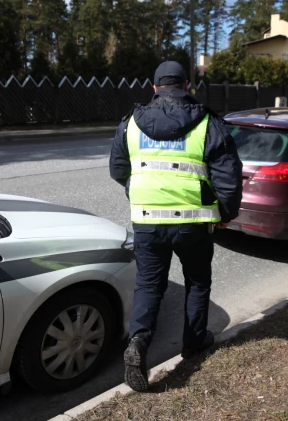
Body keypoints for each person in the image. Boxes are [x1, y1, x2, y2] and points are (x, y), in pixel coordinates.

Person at [109, 61, 243, 392]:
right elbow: (228, 176)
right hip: (194, 223)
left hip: (148, 222)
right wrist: (226, 212)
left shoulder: (131, 123)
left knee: (149, 285)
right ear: (186, 85)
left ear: (155, 88)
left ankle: (139, 341)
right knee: (197, 283)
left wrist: (138, 187)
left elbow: (117, 169)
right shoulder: (208, 122)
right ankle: (194, 342)